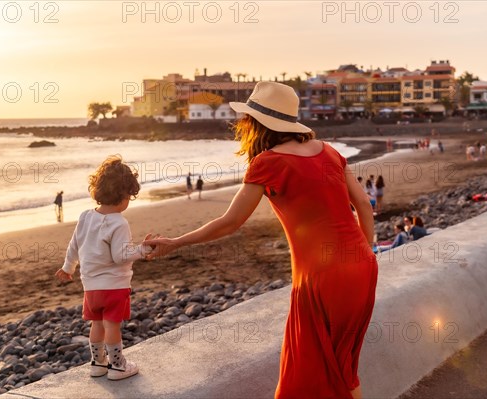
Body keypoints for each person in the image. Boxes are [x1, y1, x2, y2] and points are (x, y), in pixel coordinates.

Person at [144, 81, 377, 399]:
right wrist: (366, 253)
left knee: (310, 371)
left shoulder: (267, 163)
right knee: (343, 368)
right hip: (362, 266)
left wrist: (175, 242)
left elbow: (230, 222)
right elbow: (363, 205)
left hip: (321, 278)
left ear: (256, 122)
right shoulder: (329, 152)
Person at [55, 155, 153, 381]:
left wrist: (67, 268)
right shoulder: (119, 222)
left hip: (90, 287)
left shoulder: (85, 217)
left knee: (96, 324)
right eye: (129, 196)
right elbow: (121, 257)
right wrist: (143, 250)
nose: (128, 201)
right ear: (122, 195)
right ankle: (118, 366)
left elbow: (74, 245)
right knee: (112, 326)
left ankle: (98, 364)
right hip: (114, 287)